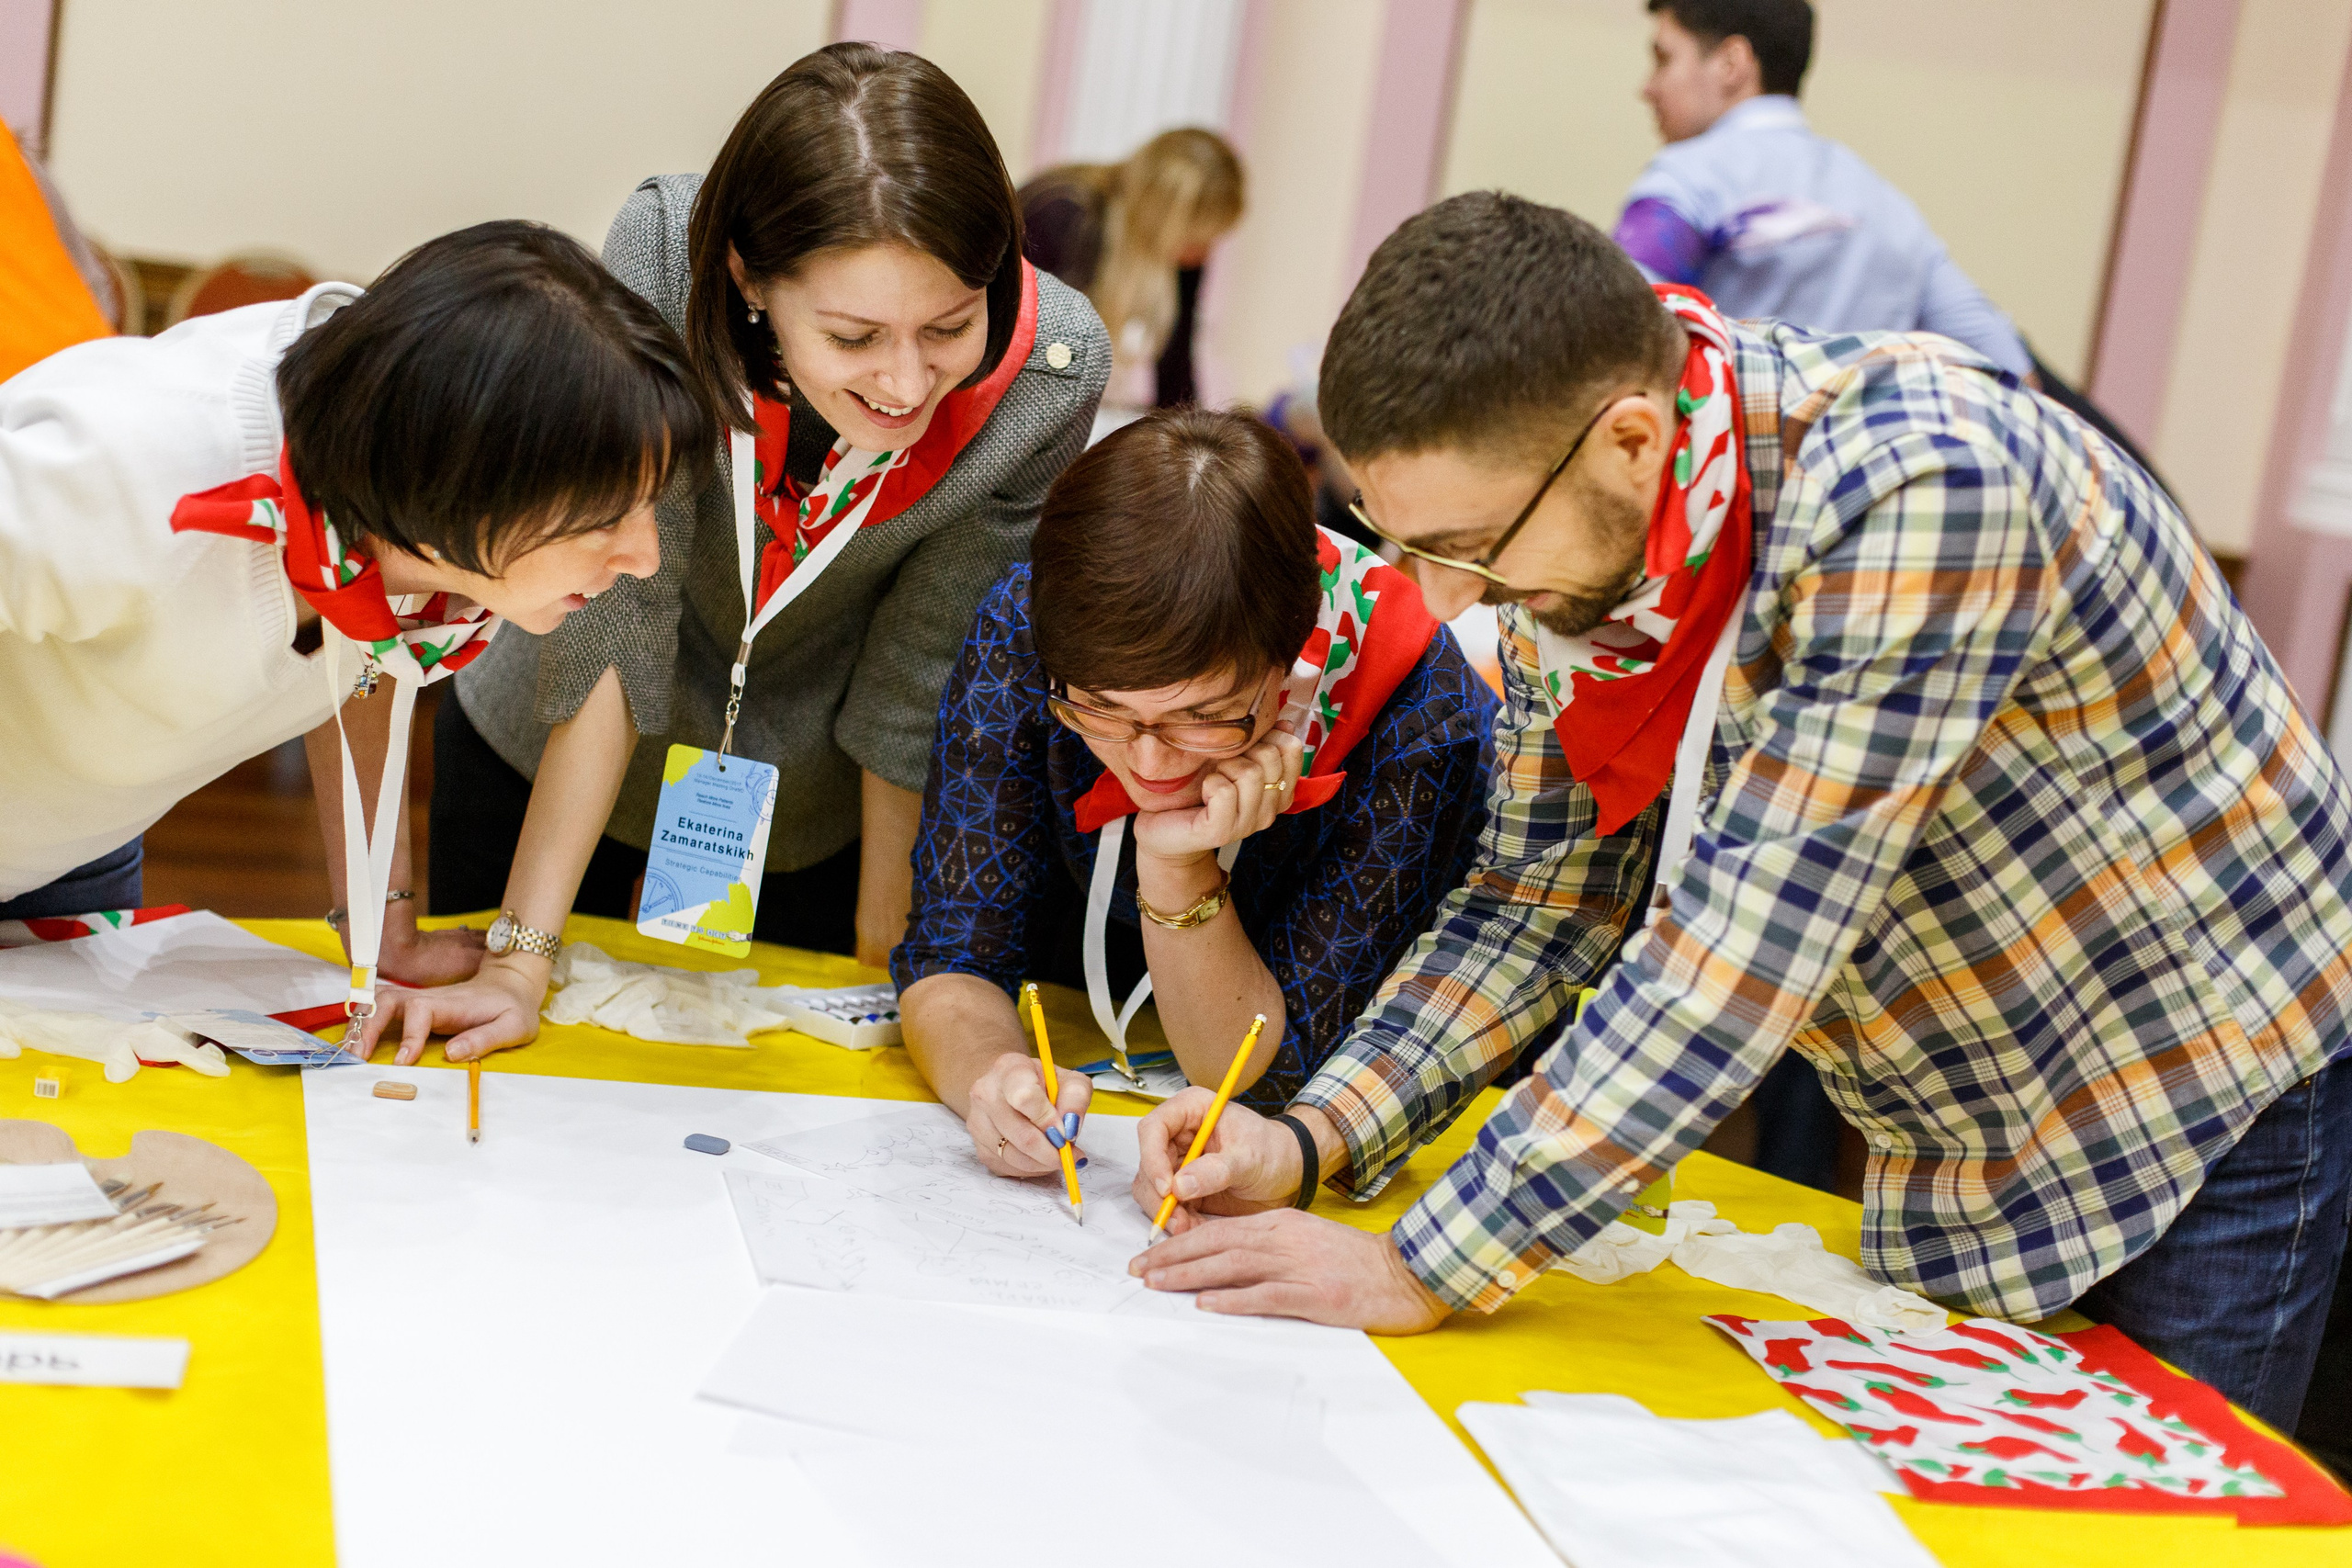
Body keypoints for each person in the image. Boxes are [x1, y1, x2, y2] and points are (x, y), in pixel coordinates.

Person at [1124, 192, 2352, 1434]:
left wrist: (1420, 1262)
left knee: (2150, 1518)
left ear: (1633, 439)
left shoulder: (1918, 488)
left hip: (2203, 1093)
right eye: (1409, 549)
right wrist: (1315, 1136)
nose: (1445, 602)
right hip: (1966, 1126)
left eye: (1473, 547)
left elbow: (1741, 952)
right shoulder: (1595, 554)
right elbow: (1533, 909)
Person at [430, 45, 1109, 995]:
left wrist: (891, 960)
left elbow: (920, 676)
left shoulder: (1048, 370)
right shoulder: (670, 256)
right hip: (550, 754)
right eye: (853, 337)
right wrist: (519, 960)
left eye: (950, 327)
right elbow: (619, 609)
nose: (907, 383)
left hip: (800, 807)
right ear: (750, 279)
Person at [0, 222, 711, 1059]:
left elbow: (366, 655)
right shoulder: (121, 468)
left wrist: (384, 920)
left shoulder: (395, 496)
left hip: (78, 837)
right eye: (605, 520)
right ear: (466, 493)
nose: (646, 557)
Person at [893, 407, 1495, 1181]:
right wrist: (994, 1077)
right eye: (1104, 709)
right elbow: (952, 951)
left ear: (1293, 658)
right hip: (1090, 1058)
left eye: (1203, 716)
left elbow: (1268, 1081)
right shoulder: (1029, 627)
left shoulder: (1415, 707)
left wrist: (1178, 865)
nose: (1147, 759)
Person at [1618, 0, 2030, 380]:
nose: (1647, 88)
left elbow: (1609, 328)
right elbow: (2011, 370)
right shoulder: (1890, 208)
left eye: (1663, 60)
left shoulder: (1692, 175)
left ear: (1732, 64)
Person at [1020, 127, 1243, 434]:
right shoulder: (1064, 216)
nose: (1203, 255)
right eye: (1196, 238)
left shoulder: (1178, 250)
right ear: (1164, 218)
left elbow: (1175, 367)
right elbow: (1035, 362)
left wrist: (1195, 442)